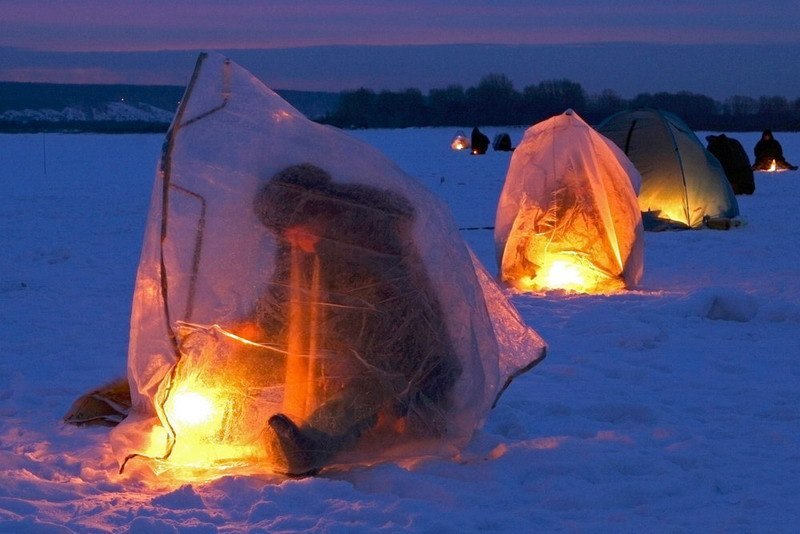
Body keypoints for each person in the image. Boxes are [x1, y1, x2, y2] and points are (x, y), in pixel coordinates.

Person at [252, 163, 462, 476]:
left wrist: (348, 363)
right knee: (261, 359)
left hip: (413, 365)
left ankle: (308, 448)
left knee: (360, 396)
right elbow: (283, 298)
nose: (289, 240)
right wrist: (256, 328)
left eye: (292, 229)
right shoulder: (307, 243)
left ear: (317, 212)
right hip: (351, 352)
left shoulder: (365, 245)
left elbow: (390, 327)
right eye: (283, 234)